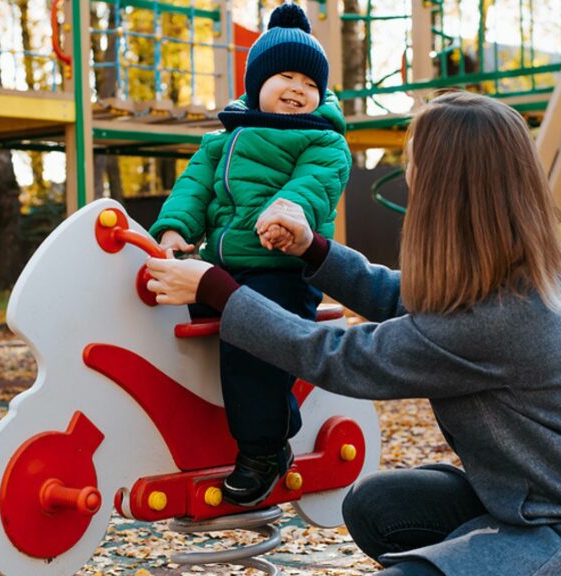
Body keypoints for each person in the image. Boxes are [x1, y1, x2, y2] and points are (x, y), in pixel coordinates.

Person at [144, 91, 561, 575]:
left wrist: (218, 289)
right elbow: (405, 301)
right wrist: (314, 251)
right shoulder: (531, 268)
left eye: (415, 167)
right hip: (525, 500)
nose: (409, 177)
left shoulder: (503, 320)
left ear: (449, 192)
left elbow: (341, 356)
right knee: (378, 507)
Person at [146, 2, 352, 507]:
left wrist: (289, 213)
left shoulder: (324, 141)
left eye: (310, 82)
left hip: (280, 271)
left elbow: (316, 186)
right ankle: (163, 424)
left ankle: (263, 448)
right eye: (286, 75)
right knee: (156, 313)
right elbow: (193, 189)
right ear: (256, 81)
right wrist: (174, 230)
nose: (299, 88)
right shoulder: (222, 140)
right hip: (219, 269)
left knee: (251, 337)